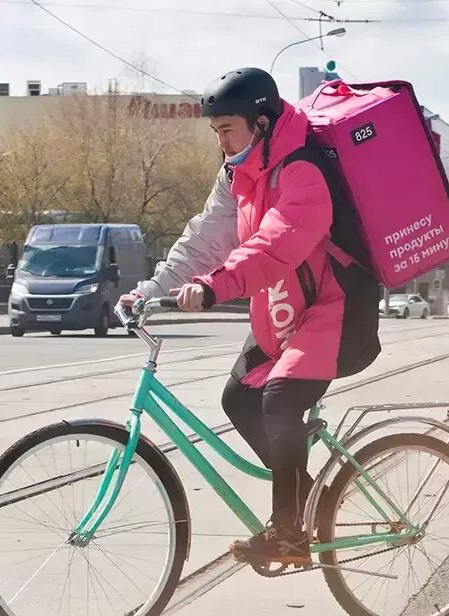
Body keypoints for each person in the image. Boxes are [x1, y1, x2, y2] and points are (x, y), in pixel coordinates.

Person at [123, 67, 349, 566]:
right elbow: (205, 239)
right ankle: (308, 499)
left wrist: (213, 287)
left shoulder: (302, 170)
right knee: (237, 398)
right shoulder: (237, 177)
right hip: (280, 314)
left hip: (328, 312)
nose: (221, 142)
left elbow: (276, 246)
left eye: (227, 129)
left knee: (279, 400)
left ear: (261, 124)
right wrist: (150, 289)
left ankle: (287, 532)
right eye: (216, 131)